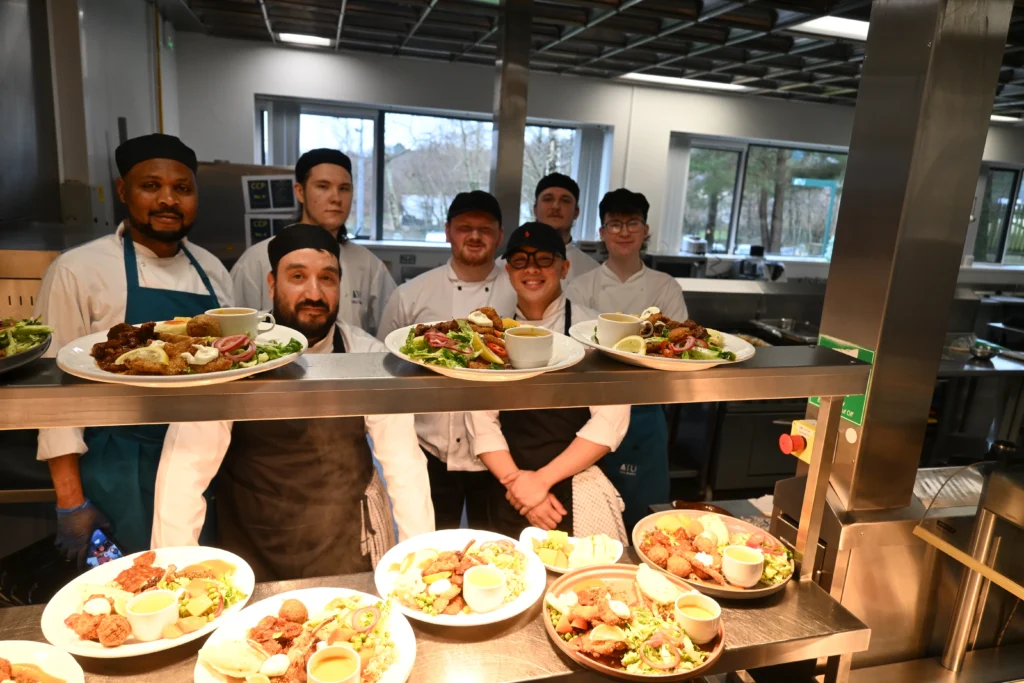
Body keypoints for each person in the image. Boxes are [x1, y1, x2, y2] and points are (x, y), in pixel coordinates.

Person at [151, 224, 434, 580]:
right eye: (297, 277)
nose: (314, 293)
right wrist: (173, 578)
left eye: (327, 278)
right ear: (272, 284)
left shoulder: (365, 355)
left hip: (348, 537)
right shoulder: (230, 359)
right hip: (251, 535)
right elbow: (184, 473)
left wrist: (422, 569)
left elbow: (405, 467)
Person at [34, 134, 233, 557]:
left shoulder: (213, 270)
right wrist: (70, 500)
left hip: (203, 462)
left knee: (201, 582)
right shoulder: (77, 270)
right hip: (119, 468)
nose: (168, 200)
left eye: (182, 188)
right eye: (151, 186)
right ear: (123, 191)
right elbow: (53, 400)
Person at [468, 222, 629, 541]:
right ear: (509, 271)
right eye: (520, 261)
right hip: (509, 487)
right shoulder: (491, 334)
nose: (532, 269)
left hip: (575, 488)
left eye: (544, 259)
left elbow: (610, 422)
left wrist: (540, 482)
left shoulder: (593, 331)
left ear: (564, 267)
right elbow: (480, 421)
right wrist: (520, 485)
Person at [377, 191, 516, 530]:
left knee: (496, 545)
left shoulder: (519, 291)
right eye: (464, 227)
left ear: (500, 235)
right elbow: (384, 365)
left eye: (485, 229)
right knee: (431, 541)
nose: (475, 236)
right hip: (429, 446)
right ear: (447, 231)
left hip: (501, 451)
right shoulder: (411, 294)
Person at [566, 188, 688, 531]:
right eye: (614, 224)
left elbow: (678, 348)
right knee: (591, 514)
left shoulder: (665, 287)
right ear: (602, 232)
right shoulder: (581, 286)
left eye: (632, 223)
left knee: (646, 517)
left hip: (646, 410)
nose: (623, 232)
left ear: (645, 230)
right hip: (590, 411)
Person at [231, 148, 396, 335]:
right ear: (300, 192)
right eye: (323, 186)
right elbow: (233, 331)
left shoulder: (369, 266)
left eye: (344, 188)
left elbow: (390, 335)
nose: (336, 198)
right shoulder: (256, 261)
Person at [532, 173, 600, 283]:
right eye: (548, 199)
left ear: (576, 212)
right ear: (535, 210)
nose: (556, 206)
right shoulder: (509, 265)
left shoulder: (592, 272)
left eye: (565, 201)